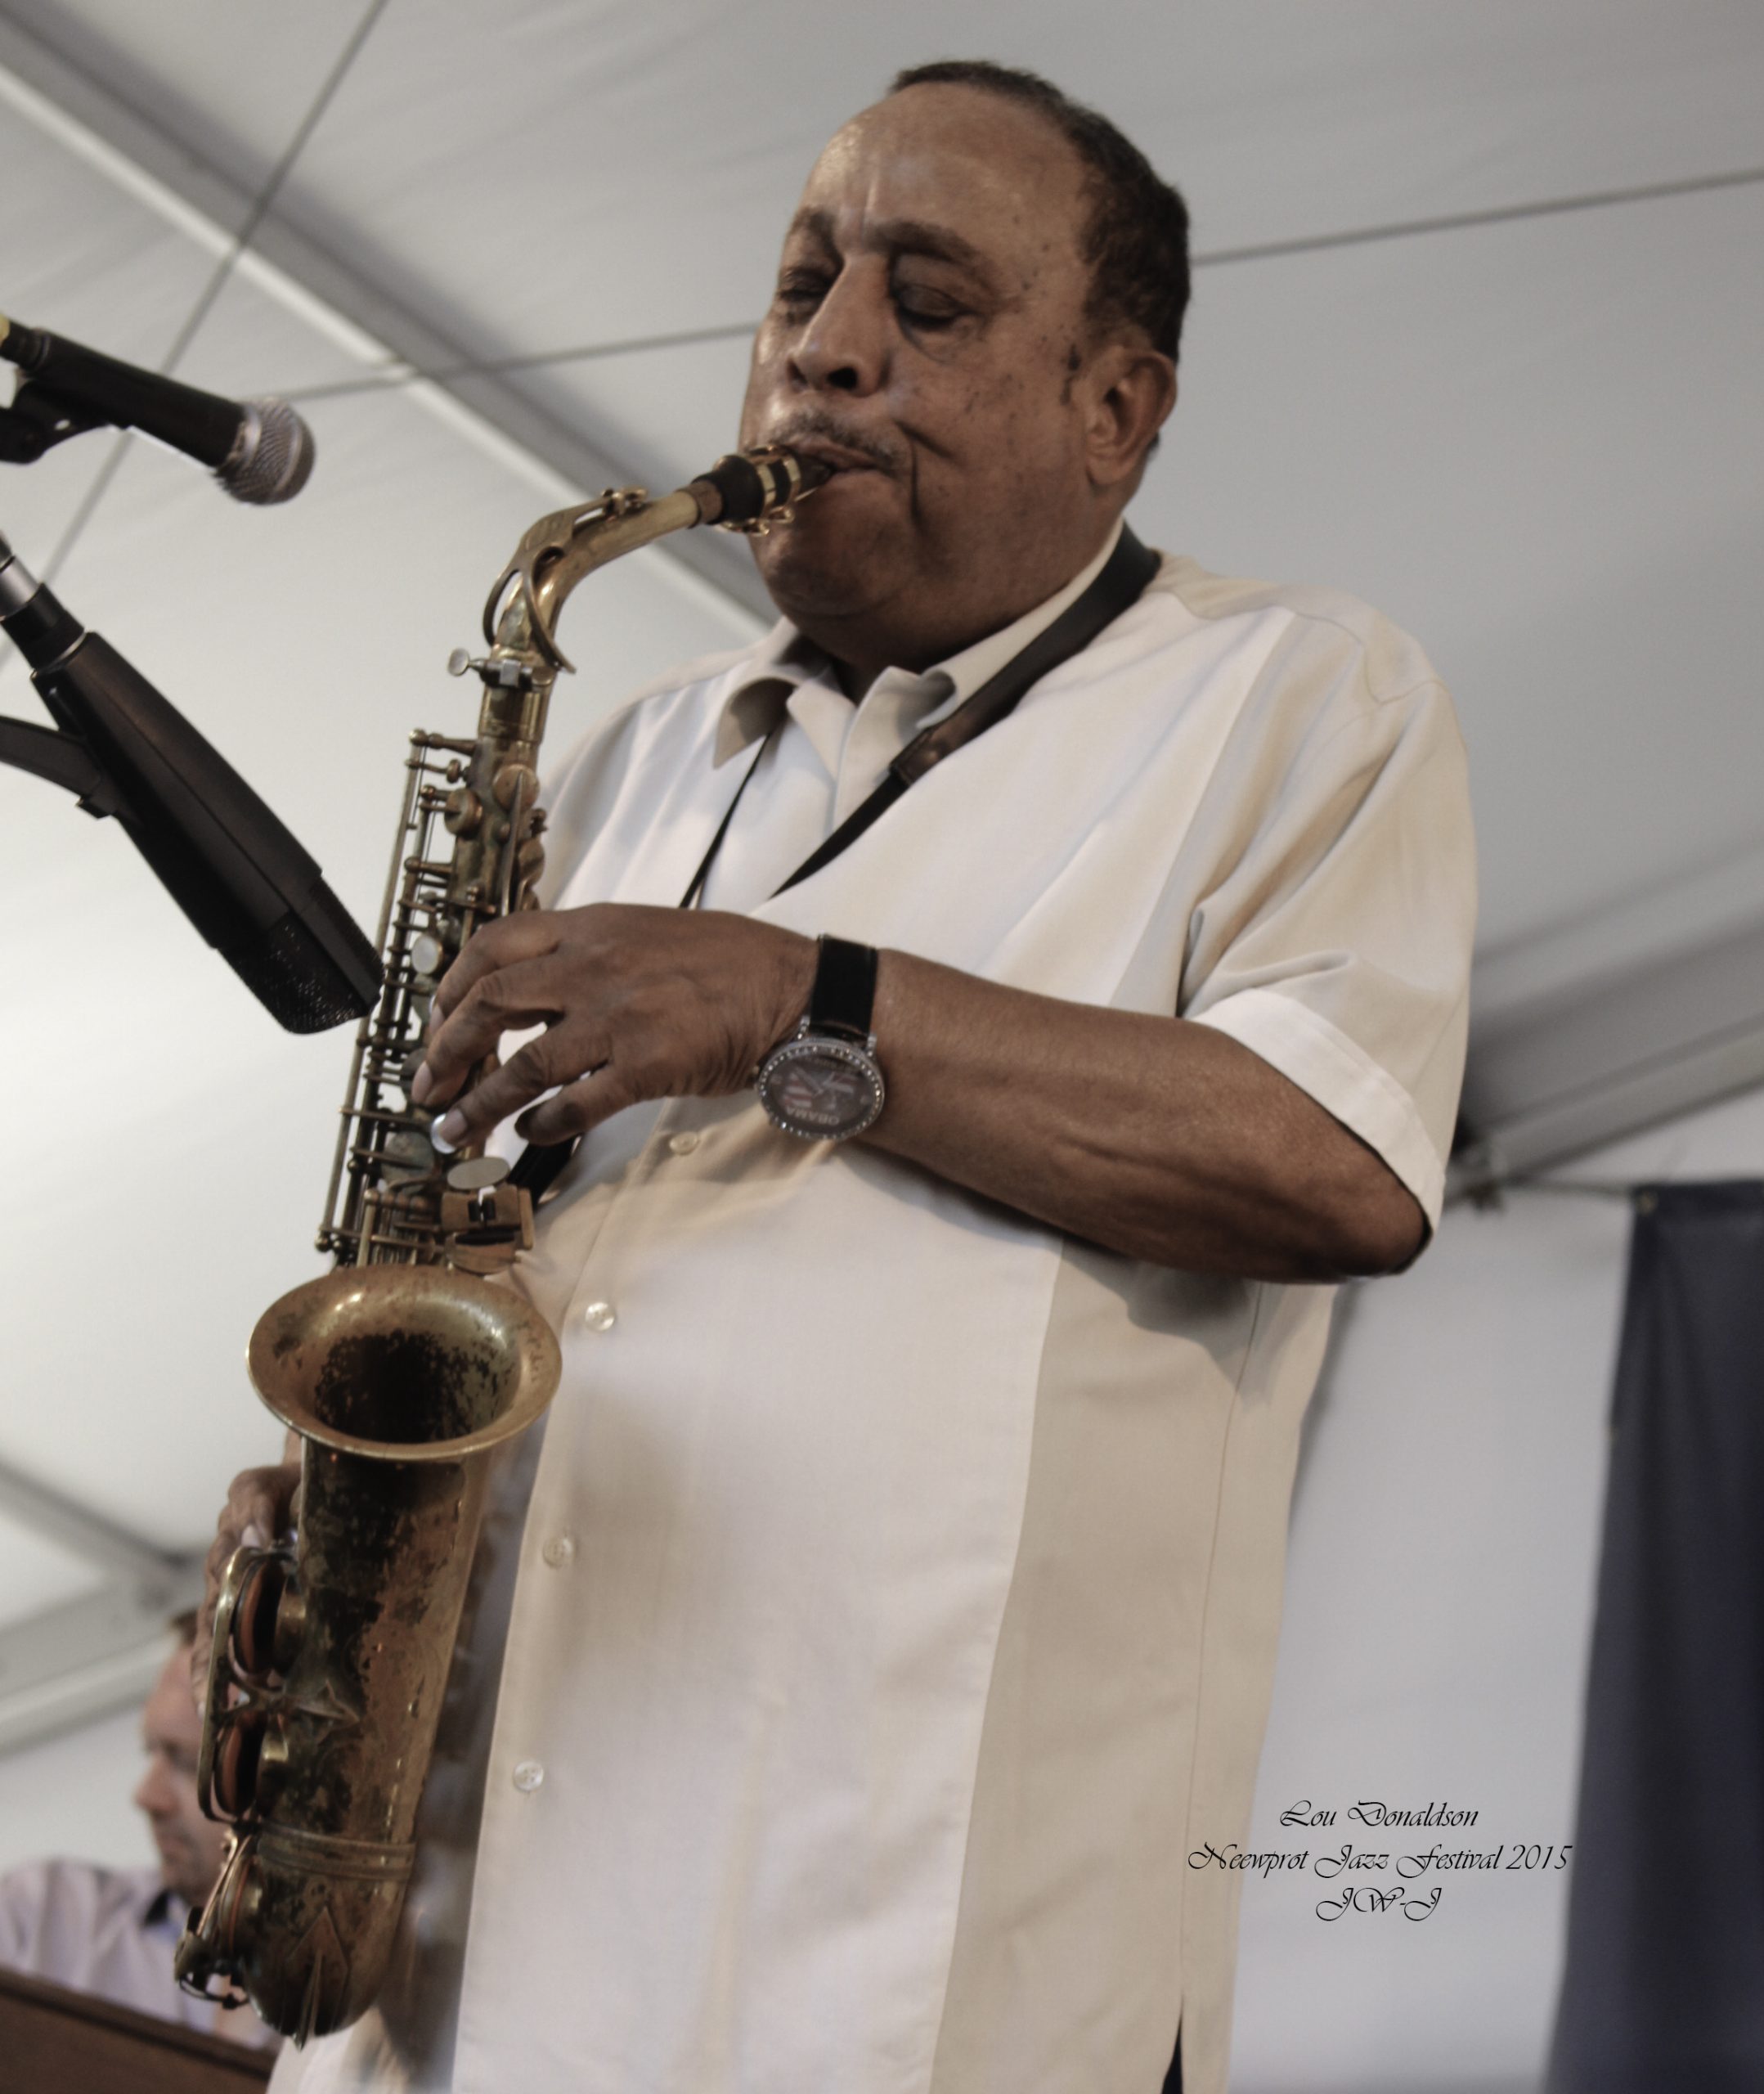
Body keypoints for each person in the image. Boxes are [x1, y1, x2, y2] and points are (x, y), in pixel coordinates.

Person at [210, 59, 1474, 2094]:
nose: (827, 347)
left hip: (911, 1970)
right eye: (801, 282)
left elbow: (1331, 1157)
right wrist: (348, 1522)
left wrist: (815, 996)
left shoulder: (1302, 690)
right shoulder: (631, 744)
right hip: (479, 1948)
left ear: (1116, 408)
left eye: (930, 301)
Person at [0, 1612, 276, 2049]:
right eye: (152, 1751)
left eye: (187, 1763)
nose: (148, 1796)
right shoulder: (42, 1915)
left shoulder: (356, 1999)